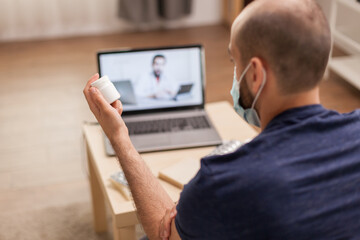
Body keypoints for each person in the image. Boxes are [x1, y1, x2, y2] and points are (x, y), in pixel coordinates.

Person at [83, 0, 360, 239]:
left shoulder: (224, 181)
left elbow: (161, 233)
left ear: (254, 75)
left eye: (234, 61)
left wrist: (119, 136)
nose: (234, 74)